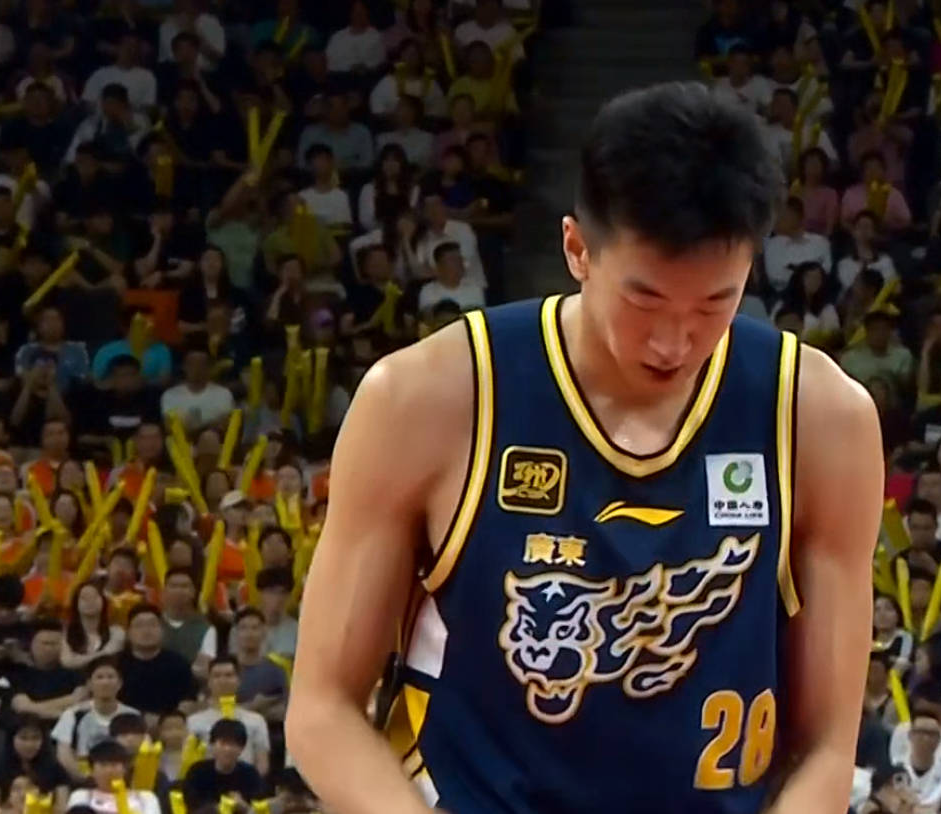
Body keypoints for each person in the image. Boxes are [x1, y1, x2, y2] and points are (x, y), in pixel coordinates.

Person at [287, 82, 884, 813]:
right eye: (645, 300)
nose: (675, 341)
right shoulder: (428, 399)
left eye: (715, 303)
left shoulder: (820, 417)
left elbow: (827, 748)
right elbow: (322, 711)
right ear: (577, 248)